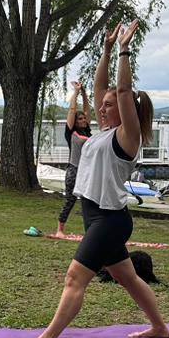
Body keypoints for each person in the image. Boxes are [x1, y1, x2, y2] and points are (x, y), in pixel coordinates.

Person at [18, 20, 169, 338]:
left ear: (126, 110)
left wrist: (124, 51)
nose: (102, 106)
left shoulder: (128, 137)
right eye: (102, 104)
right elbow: (103, 87)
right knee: (127, 277)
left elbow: (123, 91)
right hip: (95, 217)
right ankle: (159, 328)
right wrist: (104, 51)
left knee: (75, 277)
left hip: (110, 220)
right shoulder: (102, 130)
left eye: (109, 105)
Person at [55, 81, 92, 236]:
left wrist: (84, 93)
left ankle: (91, 231)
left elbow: (87, 109)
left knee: (89, 201)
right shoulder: (71, 133)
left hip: (86, 171)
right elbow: (72, 110)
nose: (82, 120)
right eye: (79, 119)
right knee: (70, 200)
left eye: (84, 119)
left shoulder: (87, 132)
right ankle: (60, 230)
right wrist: (76, 92)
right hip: (74, 170)